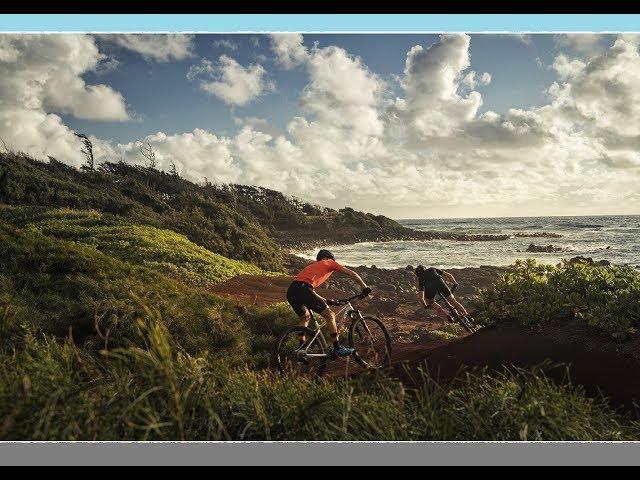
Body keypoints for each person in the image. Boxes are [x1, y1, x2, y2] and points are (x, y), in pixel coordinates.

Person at [286, 249, 371, 357]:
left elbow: (307, 288)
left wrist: (326, 300)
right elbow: (352, 273)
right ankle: (337, 348)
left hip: (292, 290)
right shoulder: (329, 262)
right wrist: (365, 287)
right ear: (327, 258)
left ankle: (301, 349)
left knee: (305, 317)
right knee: (330, 315)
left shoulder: (312, 265)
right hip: (304, 289)